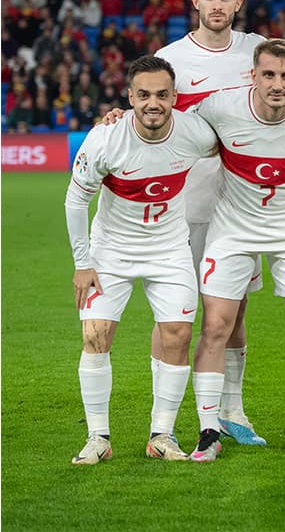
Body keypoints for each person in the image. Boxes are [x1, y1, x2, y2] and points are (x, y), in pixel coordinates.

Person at [188, 39, 285, 461]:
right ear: (253, 75)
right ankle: (208, 431)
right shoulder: (220, 107)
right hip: (232, 232)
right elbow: (171, 129)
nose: (277, 84)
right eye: (269, 75)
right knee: (216, 326)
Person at [65, 55, 217, 464]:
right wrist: (83, 263)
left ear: (175, 97)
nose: (154, 103)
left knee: (177, 337)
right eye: (144, 95)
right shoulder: (105, 138)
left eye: (162, 95)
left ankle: (161, 436)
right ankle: (98, 437)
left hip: (169, 250)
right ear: (130, 97)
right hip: (111, 252)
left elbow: (237, 137)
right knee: (96, 337)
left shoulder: (194, 133)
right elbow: (76, 199)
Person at [155, 0, 269, 446]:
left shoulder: (257, 51)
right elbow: (151, 114)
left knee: (234, 311)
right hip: (184, 206)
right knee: (174, 313)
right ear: (195, 2)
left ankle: (232, 410)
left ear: (238, 3)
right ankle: (164, 416)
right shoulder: (171, 59)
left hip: (241, 206)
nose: (219, 5)